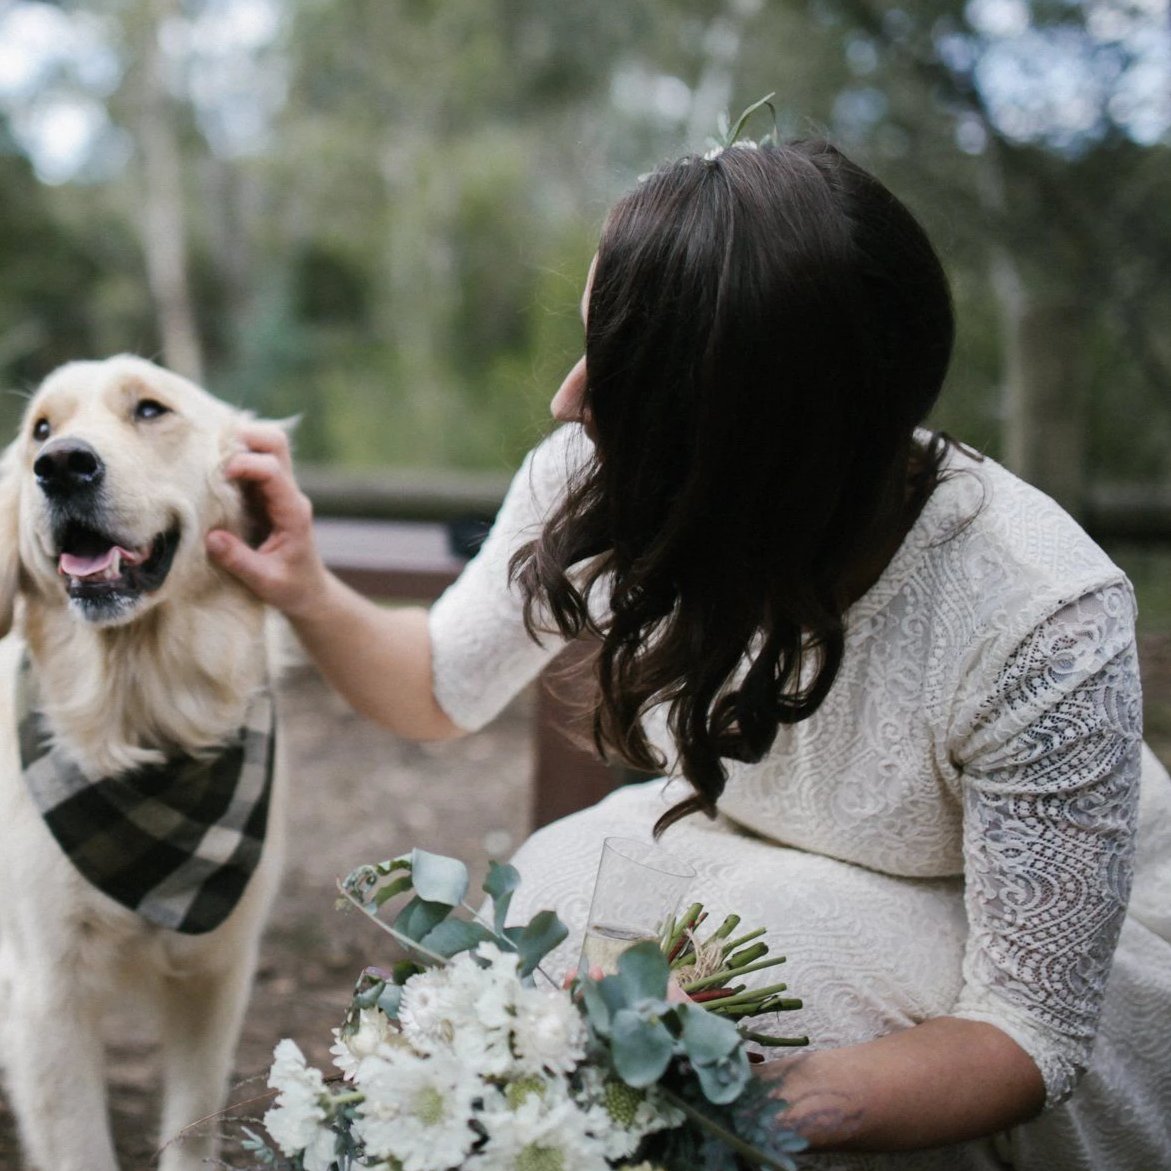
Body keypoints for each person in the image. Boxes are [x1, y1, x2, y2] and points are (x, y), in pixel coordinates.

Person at [206, 138, 1171, 1169]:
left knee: (744, 963)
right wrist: (304, 587)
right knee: (560, 891)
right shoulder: (604, 475)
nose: (569, 401)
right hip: (759, 893)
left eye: (623, 373)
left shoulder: (1034, 612)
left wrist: (727, 1099)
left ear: (757, 437)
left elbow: (1025, 1031)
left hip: (1033, 998)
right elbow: (437, 687)